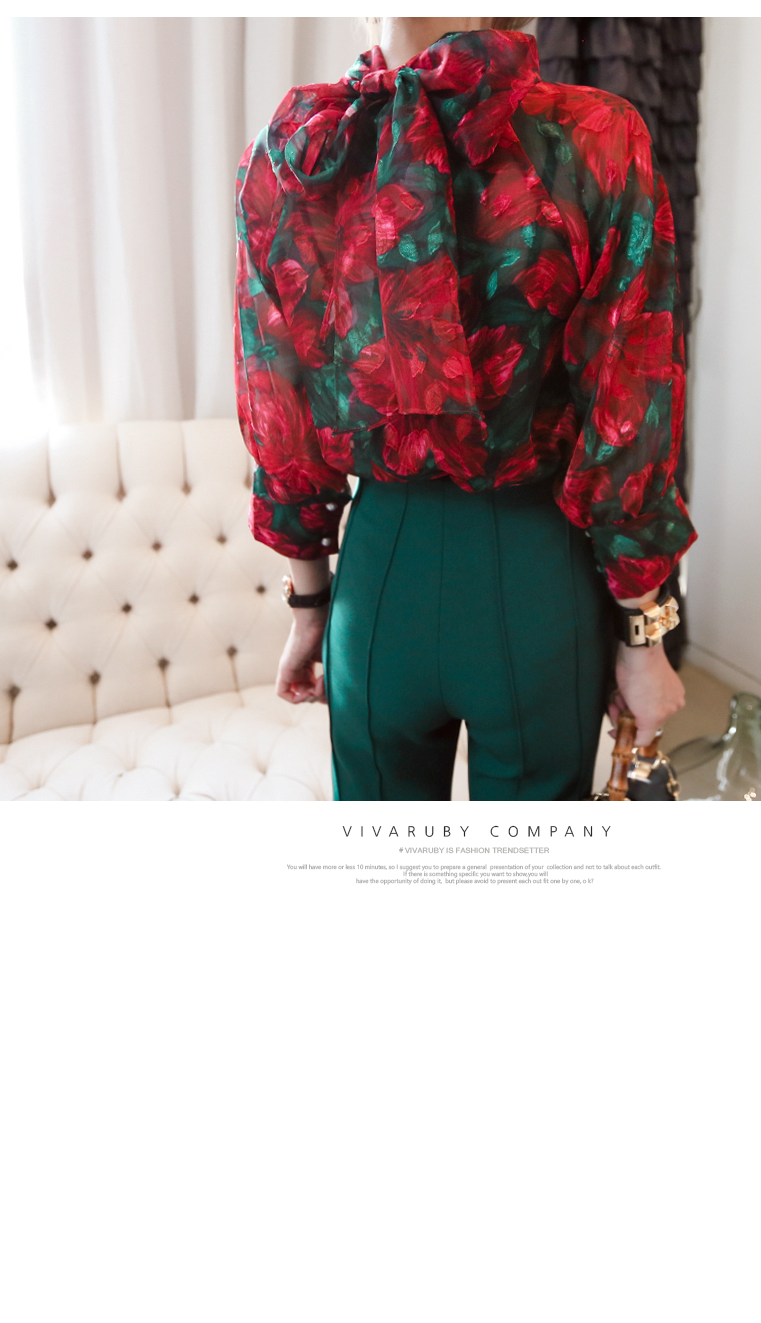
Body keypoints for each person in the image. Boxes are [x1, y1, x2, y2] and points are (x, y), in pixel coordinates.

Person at [233, 17, 696, 800]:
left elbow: (276, 400)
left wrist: (309, 603)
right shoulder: (594, 137)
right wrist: (641, 635)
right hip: (536, 582)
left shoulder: (299, 146)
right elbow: (628, 399)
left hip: (381, 579)